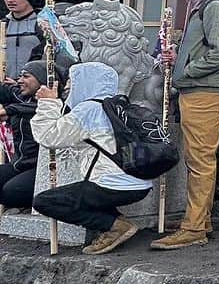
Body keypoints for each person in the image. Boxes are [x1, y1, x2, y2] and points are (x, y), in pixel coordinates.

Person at [151, 0, 219, 250]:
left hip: (207, 94)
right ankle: (201, 219)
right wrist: (179, 58)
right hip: (201, 92)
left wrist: (186, 72)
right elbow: (209, 50)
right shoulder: (201, 8)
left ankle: (193, 228)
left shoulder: (214, 8)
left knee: (200, 161)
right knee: (198, 159)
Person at [30, 62, 151, 255]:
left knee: (45, 201)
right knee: (86, 195)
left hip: (112, 184)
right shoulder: (118, 105)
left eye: (72, 80)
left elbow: (49, 137)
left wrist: (47, 103)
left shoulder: (89, 110)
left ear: (87, 81)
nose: (68, 86)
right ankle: (117, 225)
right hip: (139, 183)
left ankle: (116, 227)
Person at [0, 61, 48, 208]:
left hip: (41, 168)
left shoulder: (53, 102)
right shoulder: (23, 96)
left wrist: (11, 110)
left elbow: (37, 108)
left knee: (11, 192)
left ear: (41, 80)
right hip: (19, 163)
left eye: (26, 76)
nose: (20, 80)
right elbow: (6, 91)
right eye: (20, 76)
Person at [1, 0, 44, 80]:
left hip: (35, 87)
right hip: (5, 86)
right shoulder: (3, 25)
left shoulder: (43, 24)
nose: (10, 0)